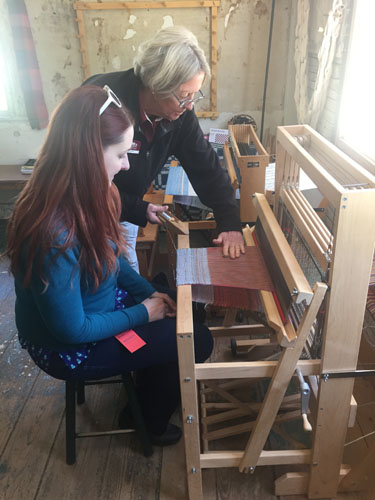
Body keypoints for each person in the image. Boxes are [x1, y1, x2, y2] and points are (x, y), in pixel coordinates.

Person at [4, 85, 213, 445]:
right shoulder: (54, 232)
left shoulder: (94, 192)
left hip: (91, 310)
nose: (127, 164)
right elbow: (72, 330)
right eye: (120, 154)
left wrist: (150, 295)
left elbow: (110, 260)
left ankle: (148, 380)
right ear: (87, 154)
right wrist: (142, 314)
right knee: (198, 341)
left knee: (184, 309)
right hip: (68, 349)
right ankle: (145, 420)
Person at [83, 26, 245, 271]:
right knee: (95, 275)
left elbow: (206, 168)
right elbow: (81, 181)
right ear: (156, 85)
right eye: (184, 96)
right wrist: (137, 208)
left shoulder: (179, 115)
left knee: (125, 271)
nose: (190, 106)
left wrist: (230, 221)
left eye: (195, 95)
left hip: (123, 208)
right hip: (82, 209)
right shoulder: (102, 104)